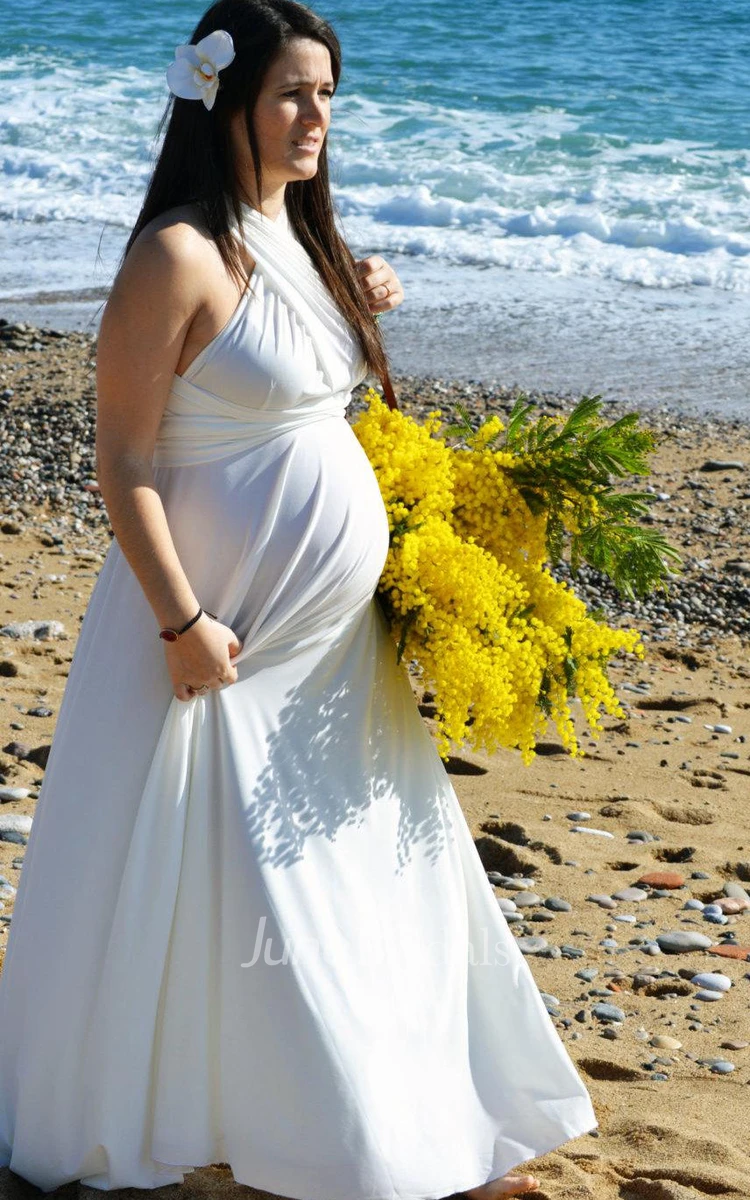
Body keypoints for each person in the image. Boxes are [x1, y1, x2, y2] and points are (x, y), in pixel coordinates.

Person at [0, 0, 598, 1194]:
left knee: (353, 866)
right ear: (223, 100)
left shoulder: (304, 238)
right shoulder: (176, 254)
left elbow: (312, 400)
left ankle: (396, 1106)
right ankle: (308, 1130)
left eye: (328, 93)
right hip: (219, 634)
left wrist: (354, 302)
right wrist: (180, 623)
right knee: (238, 882)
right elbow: (120, 459)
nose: (317, 116)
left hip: (327, 651)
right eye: (291, 93)